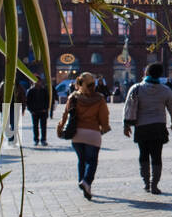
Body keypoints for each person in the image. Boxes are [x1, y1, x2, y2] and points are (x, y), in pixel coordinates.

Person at [123, 62, 172, 194]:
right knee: (157, 156)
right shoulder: (165, 90)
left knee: (143, 154)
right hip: (158, 127)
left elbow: (128, 107)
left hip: (141, 127)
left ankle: (146, 182)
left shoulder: (136, 88)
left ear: (146, 73)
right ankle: (154, 184)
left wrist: (126, 125)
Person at [58, 72, 110, 200]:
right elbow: (104, 118)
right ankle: (86, 182)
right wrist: (104, 127)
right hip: (93, 134)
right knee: (92, 161)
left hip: (77, 134)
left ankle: (84, 184)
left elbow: (65, 114)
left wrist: (60, 127)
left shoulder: (73, 97)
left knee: (82, 160)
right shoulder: (99, 98)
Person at [0, 77, 27, 142]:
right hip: (6, 106)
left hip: (15, 107)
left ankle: (13, 137)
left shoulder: (18, 86)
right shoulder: (3, 85)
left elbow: (23, 97)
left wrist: (23, 108)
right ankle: (10, 136)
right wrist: (0, 107)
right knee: (6, 123)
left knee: (14, 123)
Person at [25, 77, 50, 146]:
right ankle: (36, 139)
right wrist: (30, 110)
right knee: (35, 126)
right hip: (34, 111)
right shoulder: (30, 91)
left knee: (43, 126)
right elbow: (28, 101)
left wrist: (46, 109)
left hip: (43, 111)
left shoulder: (44, 90)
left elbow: (47, 100)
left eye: (38, 81)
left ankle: (43, 139)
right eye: (36, 81)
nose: (37, 83)